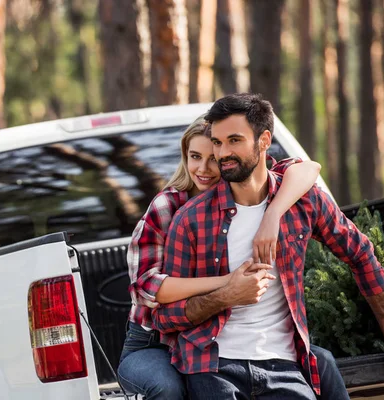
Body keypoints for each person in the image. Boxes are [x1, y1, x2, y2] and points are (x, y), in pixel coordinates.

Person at [152, 93, 384, 400]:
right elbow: (164, 317)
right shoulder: (190, 219)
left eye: (234, 140)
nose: (222, 153)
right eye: (217, 142)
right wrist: (226, 296)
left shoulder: (302, 202)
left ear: (264, 140)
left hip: (283, 366)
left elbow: (361, 255)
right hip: (212, 367)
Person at [118, 117, 343, 400]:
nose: (203, 169)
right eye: (194, 157)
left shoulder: (242, 190)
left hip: (209, 337)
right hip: (153, 343)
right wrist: (228, 284)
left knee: (322, 362)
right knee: (169, 388)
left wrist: (273, 213)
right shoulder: (170, 206)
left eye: (213, 159)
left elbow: (309, 168)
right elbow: (147, 287)